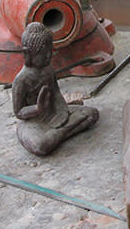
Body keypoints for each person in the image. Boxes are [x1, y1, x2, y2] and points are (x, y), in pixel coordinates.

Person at [12, 22, 99, 156]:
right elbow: (19, 111)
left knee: (91, 113)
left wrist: (62, 114)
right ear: (27, 53)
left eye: (50, 52)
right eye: (43, 53)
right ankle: (62, 132)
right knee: (40, 145)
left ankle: (58, 134)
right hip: (34, 122)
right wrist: (37, 108)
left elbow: (57, 94)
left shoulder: (48, 70)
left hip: (55, 114)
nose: (48, 56)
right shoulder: (21, 80)